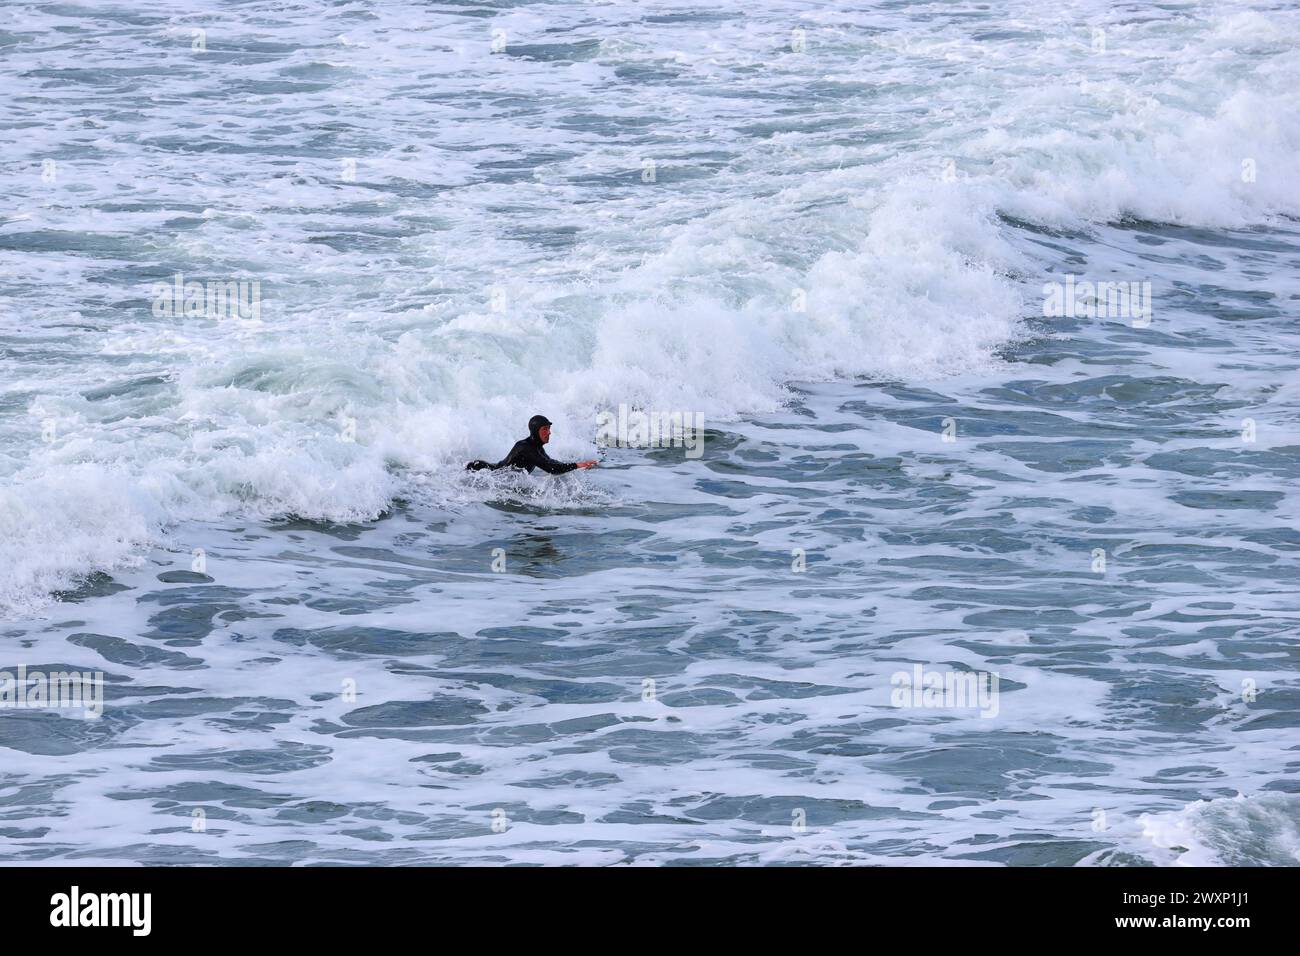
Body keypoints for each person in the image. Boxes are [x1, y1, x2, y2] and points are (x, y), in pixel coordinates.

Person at [465, 415, 597, 474]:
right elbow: (550, 468)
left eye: (549, 429)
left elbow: (550, 461)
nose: (549, 433)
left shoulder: (536, 447)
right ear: (535, 431)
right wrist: (576, 465)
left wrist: (578, 465)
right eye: (545, 429)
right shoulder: (525, 447)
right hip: (482, 471)